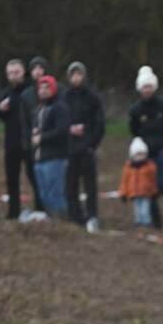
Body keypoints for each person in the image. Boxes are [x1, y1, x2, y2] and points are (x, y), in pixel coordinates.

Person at [128, 65, 163, 229]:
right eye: (144, 87)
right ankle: (154, 221)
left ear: (154, 87)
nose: (147, 90)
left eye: (149, 86)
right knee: (148, 189)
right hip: (146, 155)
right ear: (140, 88)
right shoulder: (136, 110)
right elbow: (134, 130)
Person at [0, 59, 44, 220]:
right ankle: (13, 211)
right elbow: (0, 116)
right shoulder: (5, 93)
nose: (13, 76)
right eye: (10, 73)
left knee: (34, 176)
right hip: (11, 141)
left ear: (23, 72)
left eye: (16, 72)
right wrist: (1, 110)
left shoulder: (32, 91)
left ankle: (41, 209)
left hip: (29, 141)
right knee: (12, 178)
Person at [63, 61, 106, 231]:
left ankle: (92, 216)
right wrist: (69, 129)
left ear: (84, 76)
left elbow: (100, 123)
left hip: (87, 148)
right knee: (71, 185)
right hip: (70, 148)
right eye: (73, 75)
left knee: (90, 185)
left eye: (79, 74)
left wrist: (91, 142)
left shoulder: (93, 97)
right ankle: (74, 215)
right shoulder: (65, 97)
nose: (76, 78)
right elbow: (60, 121)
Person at [26, 75, 70, 217]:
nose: (43, 91)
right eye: (41, 88)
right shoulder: (38, 109)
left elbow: (62, 130)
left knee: (55, 193)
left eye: (47, 87)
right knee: (44, 194)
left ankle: (61, 220)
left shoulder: (59, 107)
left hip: (55, 158)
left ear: (53, 89)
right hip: (39, 158)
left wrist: (42, 138)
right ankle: (51, 220)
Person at [119, 137, 159, 228]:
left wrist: (154, 191)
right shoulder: (129, 167)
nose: (140, 157)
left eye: (142, 154)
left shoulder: (150, 166)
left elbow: (153, 180)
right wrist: (123, 193)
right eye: (138, 154)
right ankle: (138, 222)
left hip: (146, 193)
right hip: (134, 193)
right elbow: (124, 181)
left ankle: (146, 222)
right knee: (137, 209)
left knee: (145, 209)